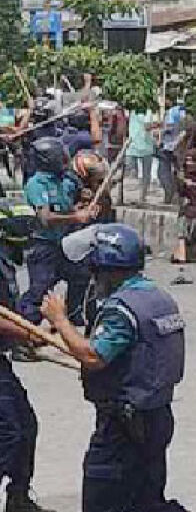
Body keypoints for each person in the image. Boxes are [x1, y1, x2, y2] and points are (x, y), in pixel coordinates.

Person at [41, 224, 188, 512]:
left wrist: (59, 319)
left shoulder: (121, 308)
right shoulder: (157, 298)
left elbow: (94, 356)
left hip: (124, 424)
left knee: (103, 497)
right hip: (155, 415)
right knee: (145, 498)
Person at [0, 198, 50, 512]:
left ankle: (18, 499)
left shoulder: (5, 259)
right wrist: (32, 334)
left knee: (26, 425)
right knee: (9, 432)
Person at [17, 138, 94, 327]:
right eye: (61, 158)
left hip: (65, 243)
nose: (65, 161)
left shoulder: (66, 181)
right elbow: (45, 218)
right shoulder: (37, 184)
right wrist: (76, 218)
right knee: (40, 291)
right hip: (43, 246)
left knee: (81, 275)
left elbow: (68, 208)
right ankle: (25, 332)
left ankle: (72, 315)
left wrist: (82, 206)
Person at [124, 108, 158, 205]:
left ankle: (135, 197)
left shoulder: (133, 110)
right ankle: (141, 197)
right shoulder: (149, 111)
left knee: (131, 172)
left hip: (133, 145)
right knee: (145, 174)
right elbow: (147, 126)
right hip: (144, 146)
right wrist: (159, 124)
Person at [157, 98, 185, 205]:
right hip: (180, 147)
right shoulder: (186, 112)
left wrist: (161, 132)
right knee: (179, 172)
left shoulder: (173, 111)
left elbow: (169, 127)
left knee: (163, 172)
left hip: (169, 146)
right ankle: (178, 197)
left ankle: (169, 196)